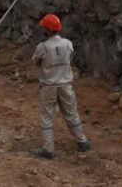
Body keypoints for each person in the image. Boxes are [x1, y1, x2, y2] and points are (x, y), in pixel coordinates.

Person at [32, 14, 91, 159]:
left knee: (47, 116)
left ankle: (48, 149)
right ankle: (82, 140)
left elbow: (35, 61)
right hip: (66, 84)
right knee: (71, 113)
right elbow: (70, 59)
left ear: (47, 29)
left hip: (49, 86)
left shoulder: (42, 47)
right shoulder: (68, 44)